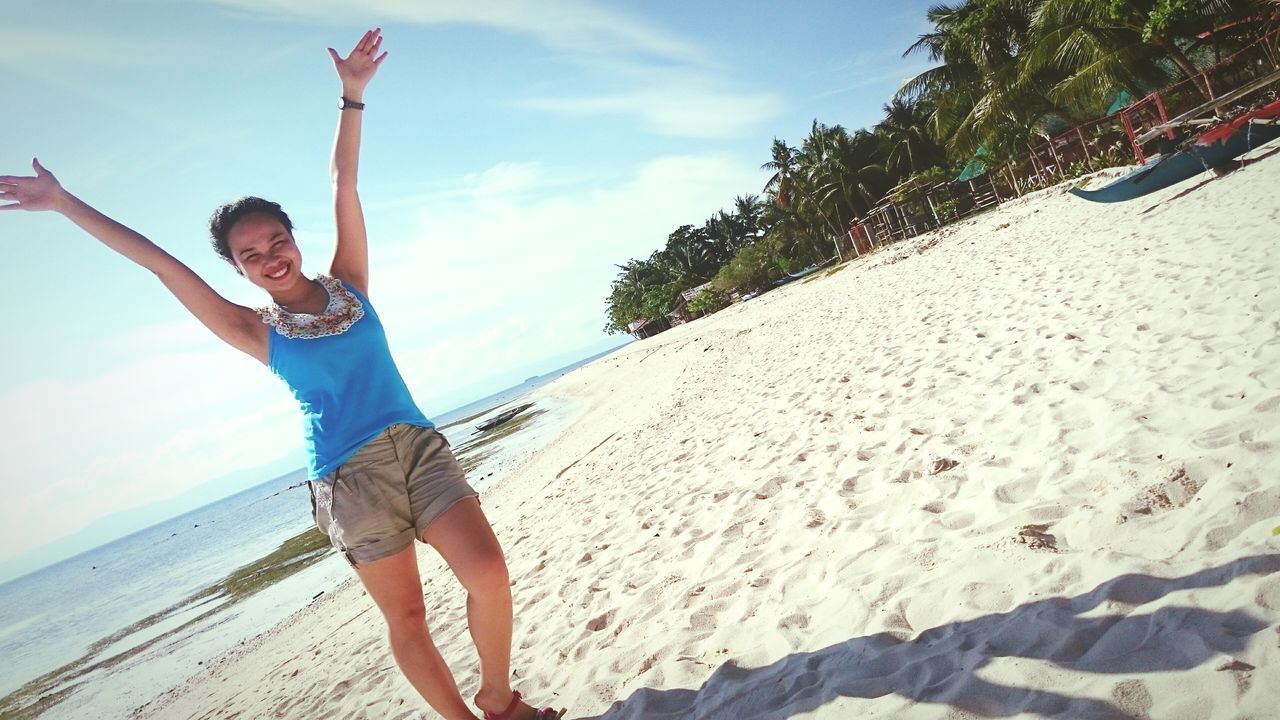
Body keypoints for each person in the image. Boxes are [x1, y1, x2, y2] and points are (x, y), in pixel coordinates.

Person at [0, 28, 561, 720]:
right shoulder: (251, 329)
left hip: (418, 449)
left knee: (489, 575)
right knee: (408, 618)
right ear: (236, 270)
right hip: (347, 478)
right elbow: (158, 263)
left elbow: (343, 184)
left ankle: (498, 698)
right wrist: (64, 203)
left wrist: (350, 97)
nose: (271, 257)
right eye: (251, 255)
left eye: (277, 241)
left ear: (294, 241)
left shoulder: (350, 284)